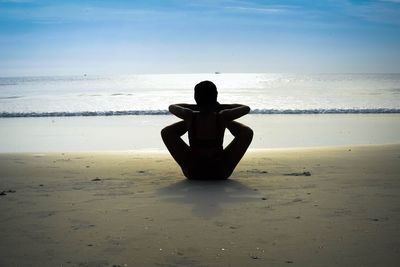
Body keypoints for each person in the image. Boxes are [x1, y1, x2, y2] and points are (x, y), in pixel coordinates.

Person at [161, 80, 253, 180]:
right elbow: (245, 108)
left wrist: (196, 108)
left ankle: (197, 115)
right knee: (247, 132)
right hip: (220, 172)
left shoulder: (189, 115)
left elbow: (172, 107)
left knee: (167, 132)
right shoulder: (223, 116)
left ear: (195, 97)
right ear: (216, 96)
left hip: (193, 172)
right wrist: (219, 108)